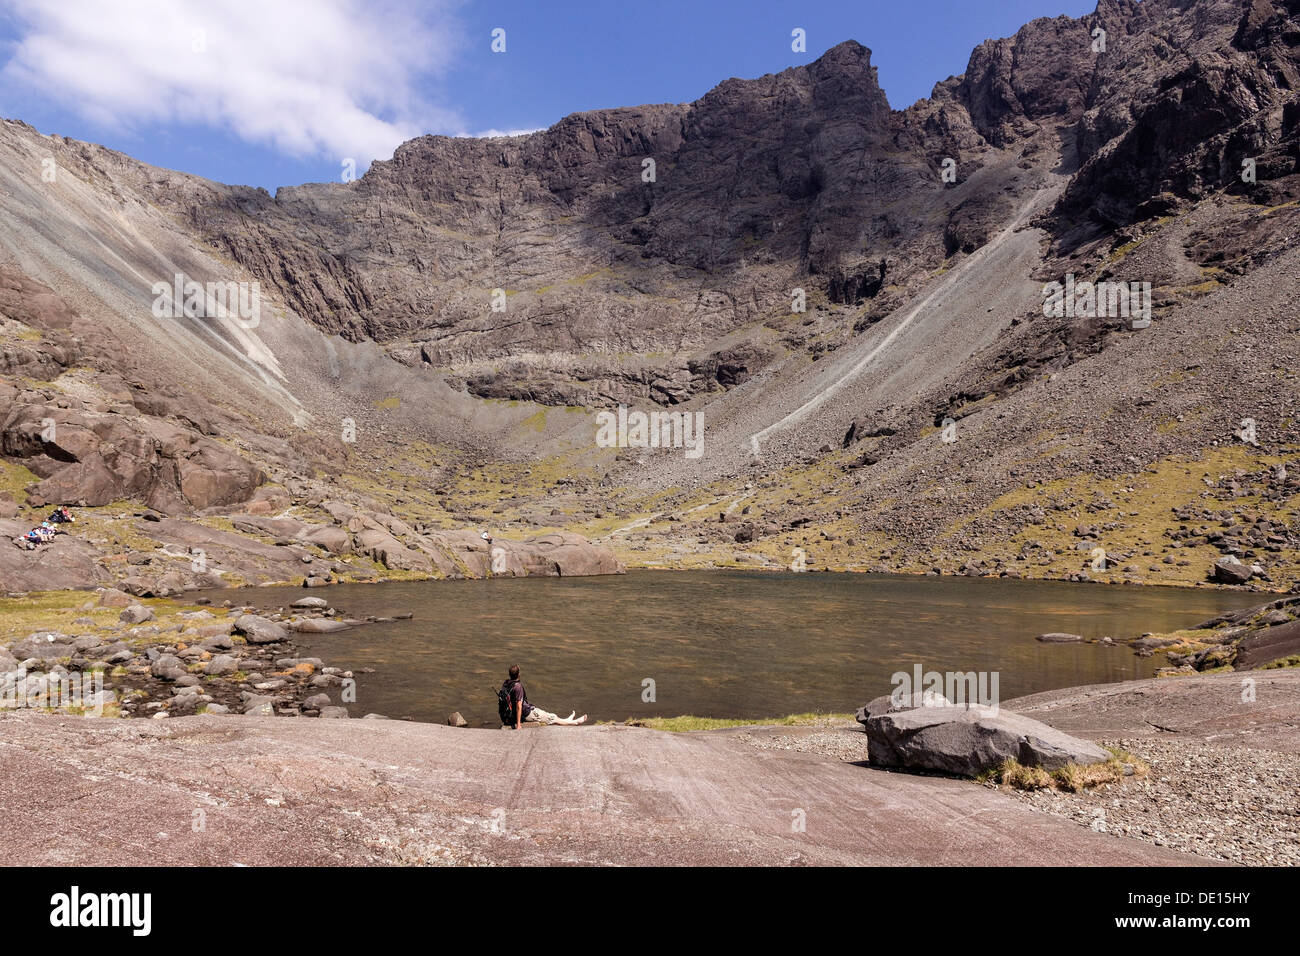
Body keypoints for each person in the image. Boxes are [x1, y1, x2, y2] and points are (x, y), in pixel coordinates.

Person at [501, 664, 586, 728]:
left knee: (550, 716)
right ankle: (575, 722)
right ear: (519, 674)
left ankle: (567, 720)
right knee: (551, 717)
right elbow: (519, 706)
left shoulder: (507, 683)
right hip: (526, 713)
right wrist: (518, 724)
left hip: (516, 713)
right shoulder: (518, 687)